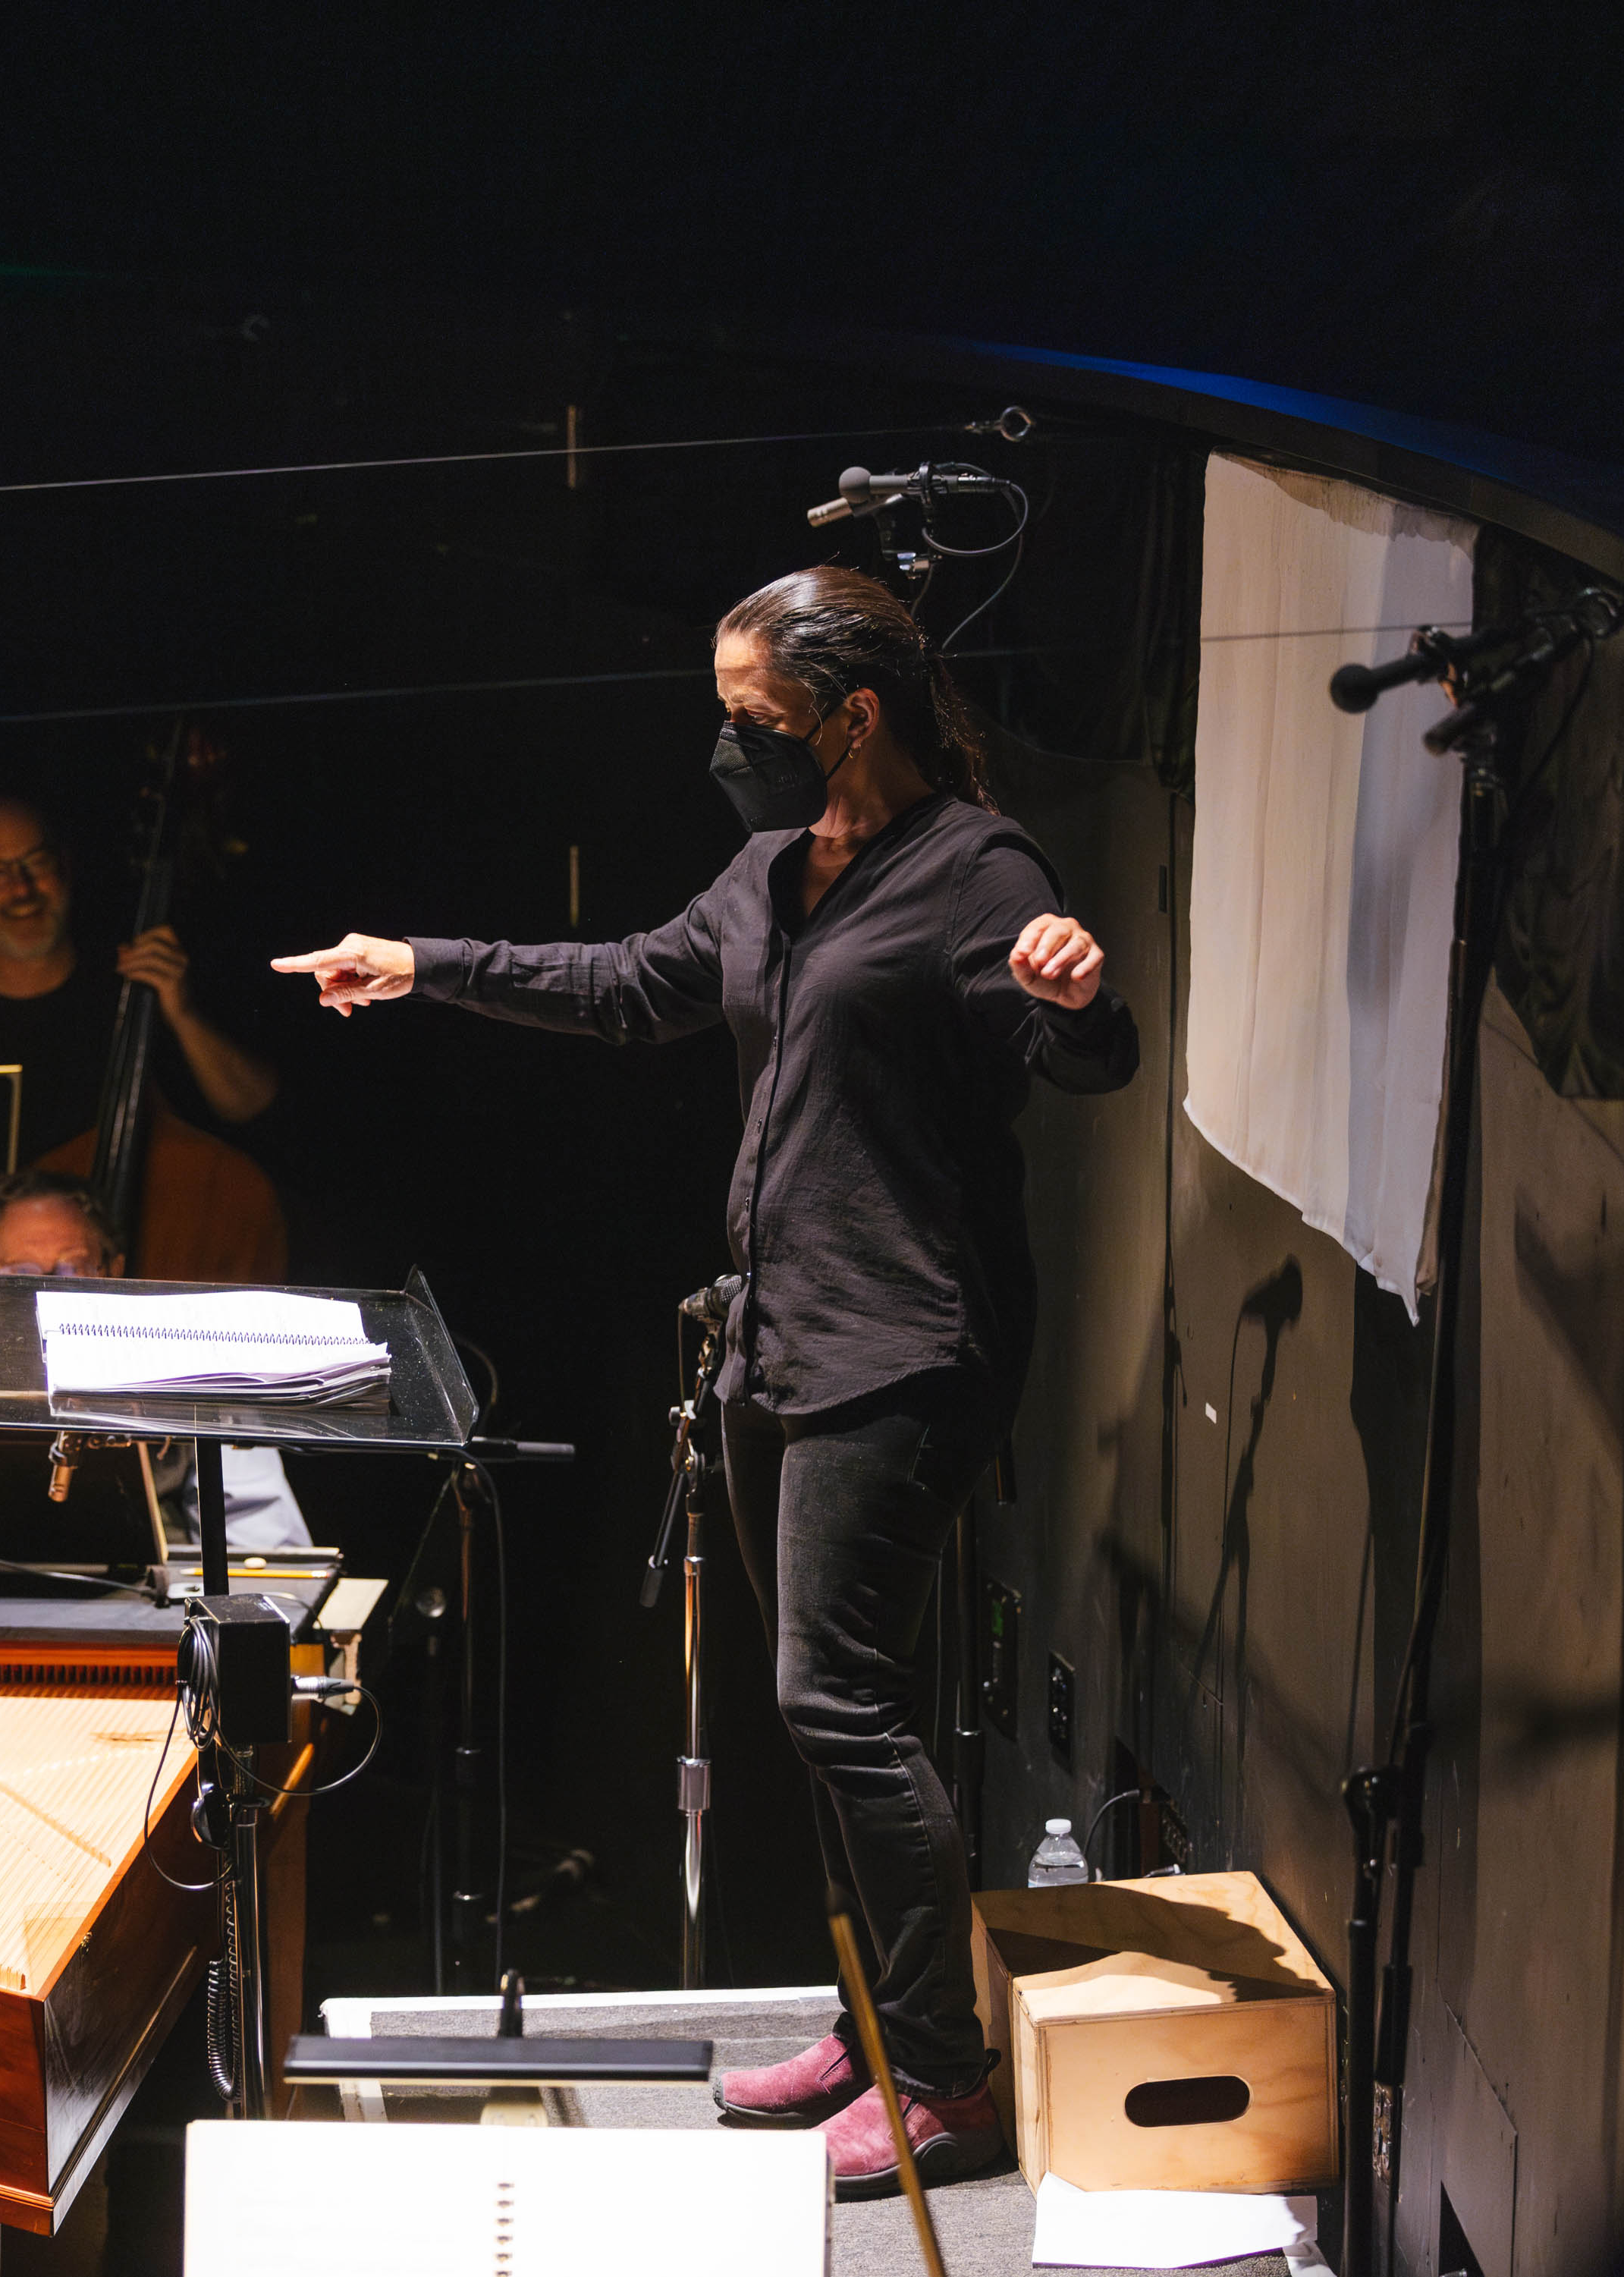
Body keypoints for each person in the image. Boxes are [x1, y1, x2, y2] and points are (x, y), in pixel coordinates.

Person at [273, 566, 1138, 2195]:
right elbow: (626, 986)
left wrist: (1079, 1001)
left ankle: (944, 2080)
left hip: (907, 1345)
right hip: (776, 1336)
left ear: (852, 715)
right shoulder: (770, 870)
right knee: (816, 1711)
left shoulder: (977, 870)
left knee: (837, 1699)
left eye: (758, 716)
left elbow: (1074, 1052)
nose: (732, 742)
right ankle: (873, 2025)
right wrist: (421, 962)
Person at [0, 793, 281, 1159]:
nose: (21, 889)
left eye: (37, 861)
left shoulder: (141, 983)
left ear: (65, 867)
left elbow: (250, 1105)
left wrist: (184, 1015)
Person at [0, 1166, 310, 1552]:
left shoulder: (196, 1381)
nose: (49, 1292)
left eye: (74, 1268)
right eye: (21, 1272)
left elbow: (266, 1550)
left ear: (113, 1272)